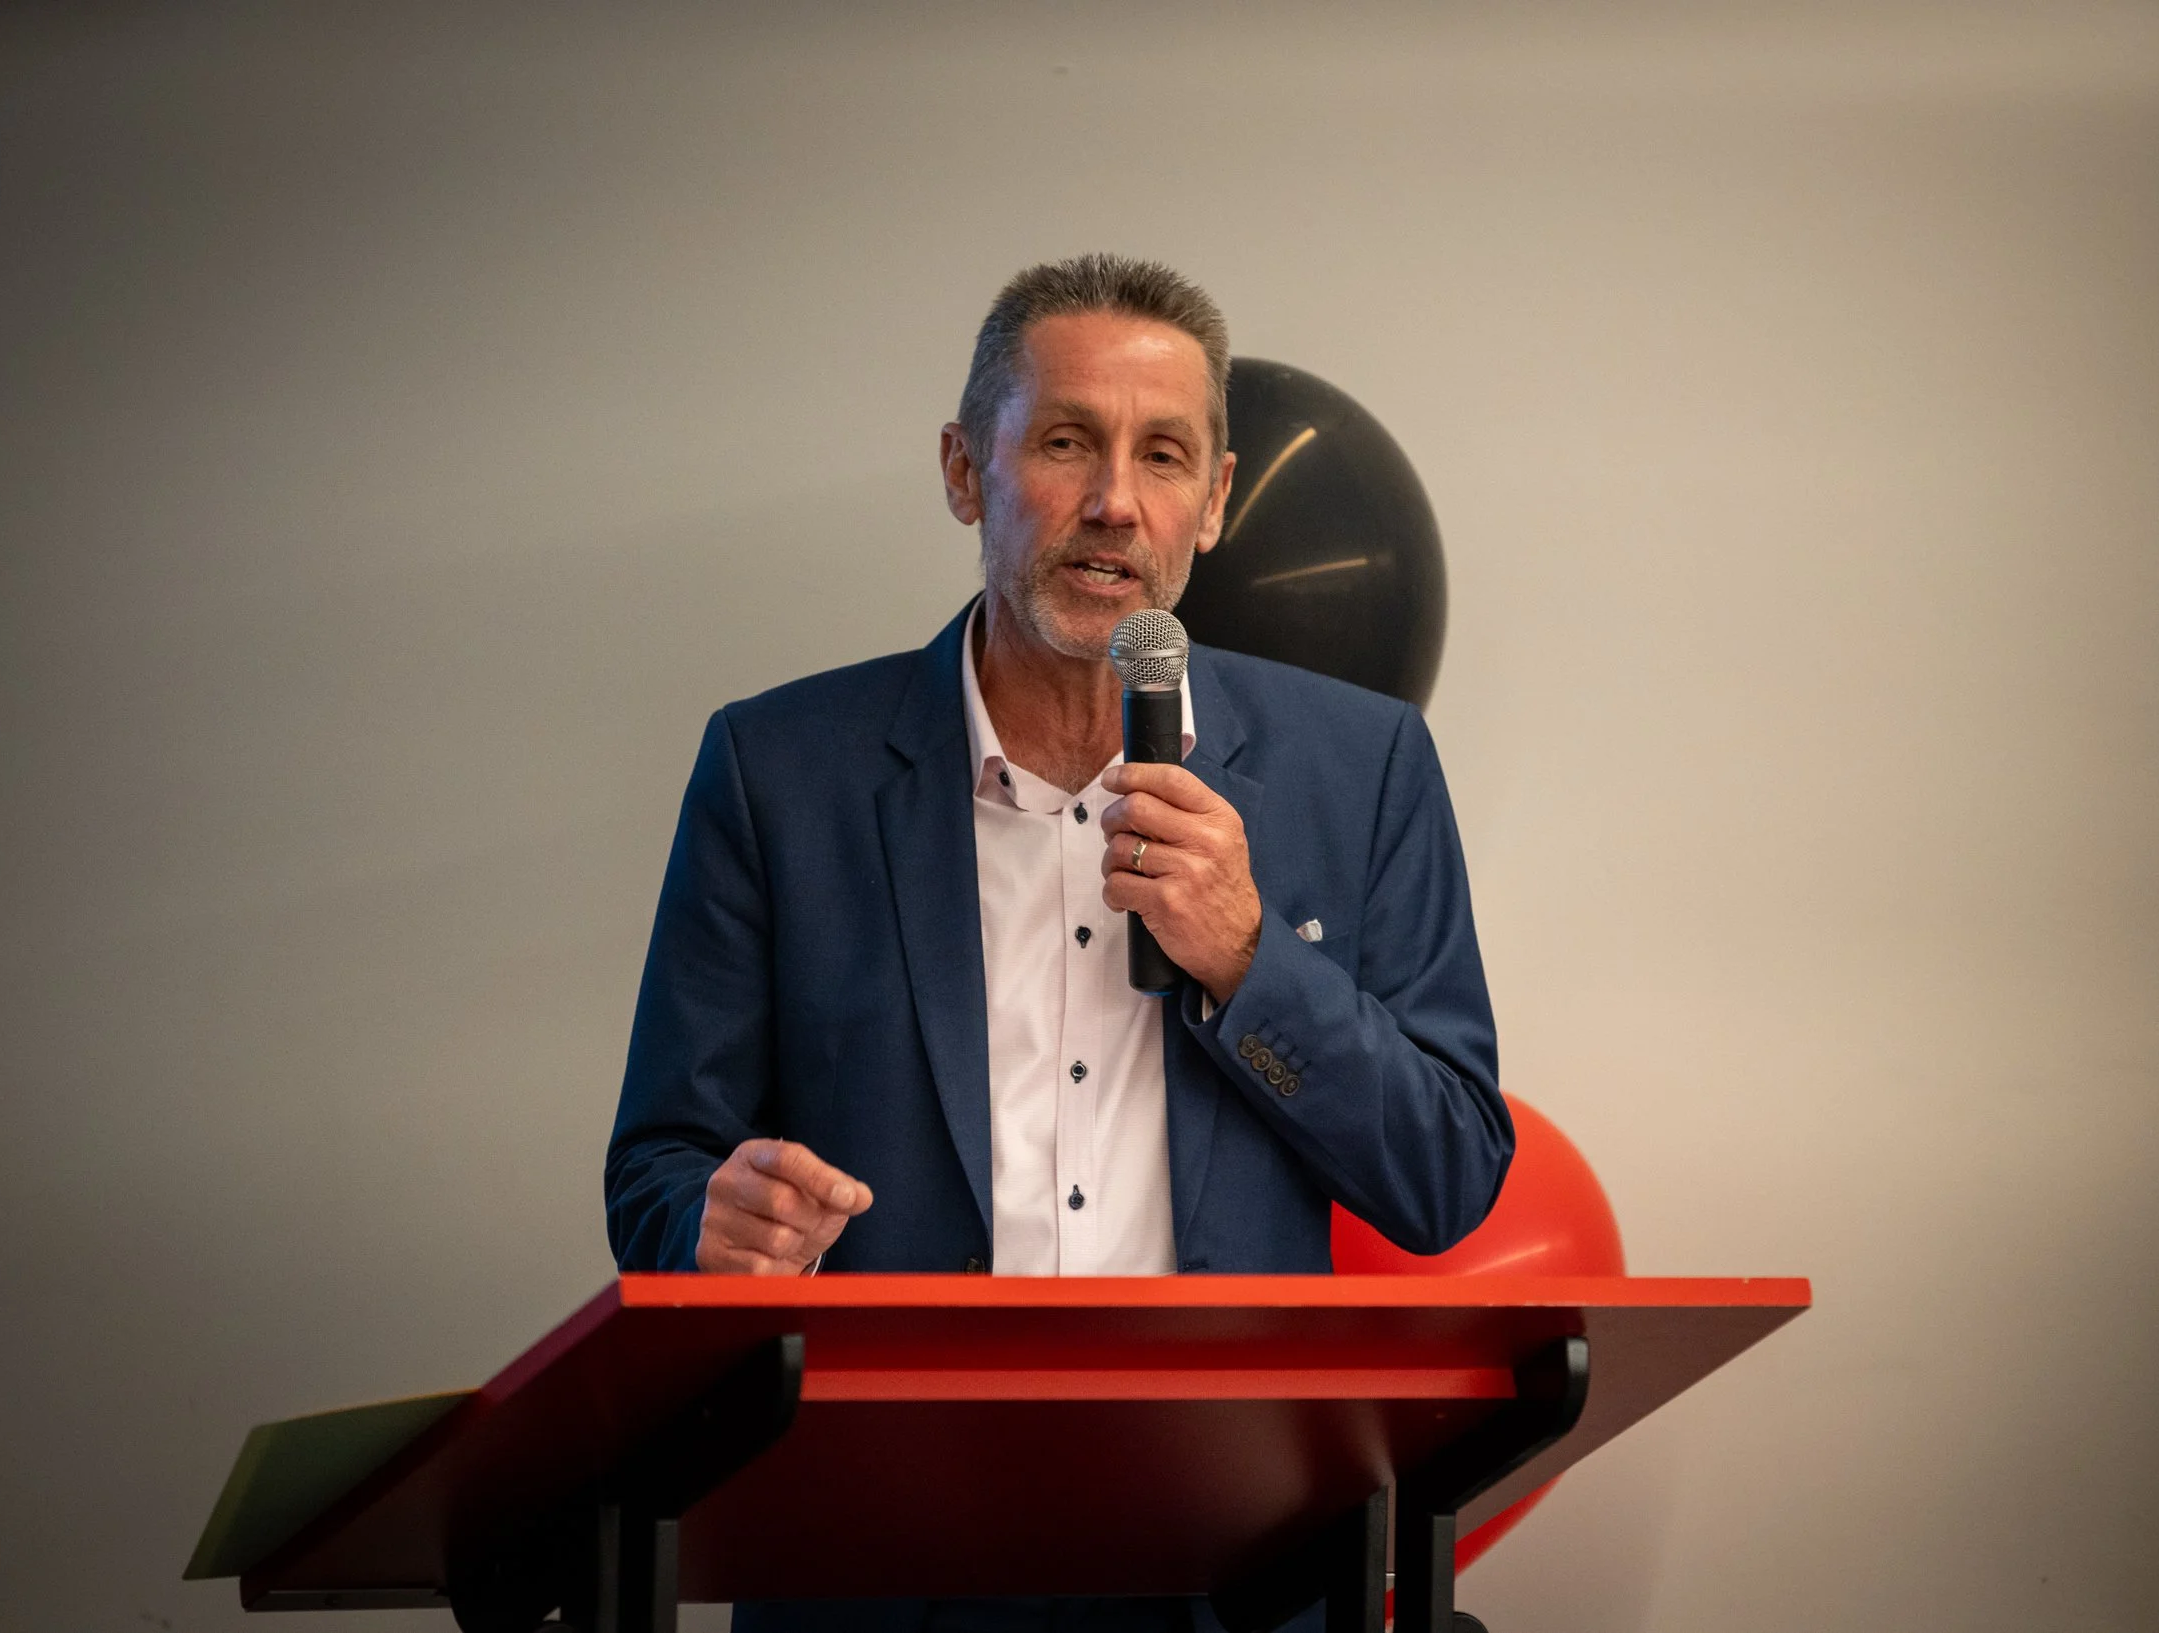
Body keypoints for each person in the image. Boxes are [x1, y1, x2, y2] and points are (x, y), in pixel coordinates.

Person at [604, 254, 1511, 1633]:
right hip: (885, 1567)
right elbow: (660, 1174)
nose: (1115, 503)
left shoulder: (1364, 767)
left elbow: (1447, 1175)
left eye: (1164, 456)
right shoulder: (777, 772)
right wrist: (713, 1229)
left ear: (1216, 501)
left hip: (1238, 1571)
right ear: (966, 470)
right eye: (1067, 443)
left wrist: (1248, 956)